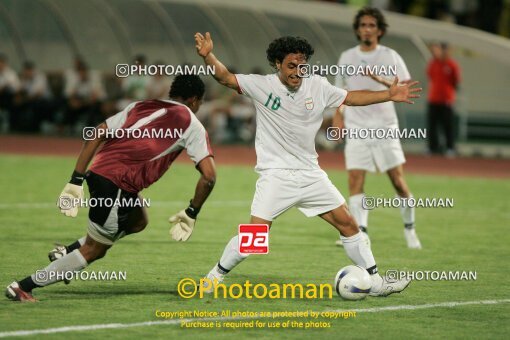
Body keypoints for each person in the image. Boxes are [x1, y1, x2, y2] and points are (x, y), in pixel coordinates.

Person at [194, 31, 421, 296]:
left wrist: (388, 94)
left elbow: (350, 97)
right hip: (276, 176)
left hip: (311, 174)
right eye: (291, 66)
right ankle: (212, 279)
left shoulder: (318, 86)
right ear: (277, 64)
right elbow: (224, 77)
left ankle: (377, 283)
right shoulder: (262, 85)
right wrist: (208, 55)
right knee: (254, 239)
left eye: (302, 66)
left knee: (348, 224)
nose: (298, 72)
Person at [5, 75, 216, 302]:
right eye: (200, 103)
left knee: (138, 221)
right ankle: (23, 286)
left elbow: (97, 132)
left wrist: (76, 179)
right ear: (194, 100)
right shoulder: (191, 123)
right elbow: (209, 177)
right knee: (95, 250)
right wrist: (192, 211)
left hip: (100, 174)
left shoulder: (140, 105)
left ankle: (66, 253)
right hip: (116, 185)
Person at [334, 6, 422, 250]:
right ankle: (361, 232)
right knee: (354, 178)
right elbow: (340, 92)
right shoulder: (347, 57)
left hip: (384, 126)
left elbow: (405, 87)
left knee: (397, 180)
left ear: (380, 31)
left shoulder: (390, 55)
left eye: (372, 25)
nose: (367, 29)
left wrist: (382, 81)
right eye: (363, 25)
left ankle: (410, 229)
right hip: (357, 125)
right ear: (357, 30)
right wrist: (338, 116)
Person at [427, 42, 461, 157]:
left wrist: (449, 94)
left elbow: (456, 81)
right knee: (432, 126)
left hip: (447, 100)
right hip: (433, 99)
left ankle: (450, 147)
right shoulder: (433, 63)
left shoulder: (452, 65)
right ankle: (433, 148)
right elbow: (430, 75)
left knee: (448, 125)